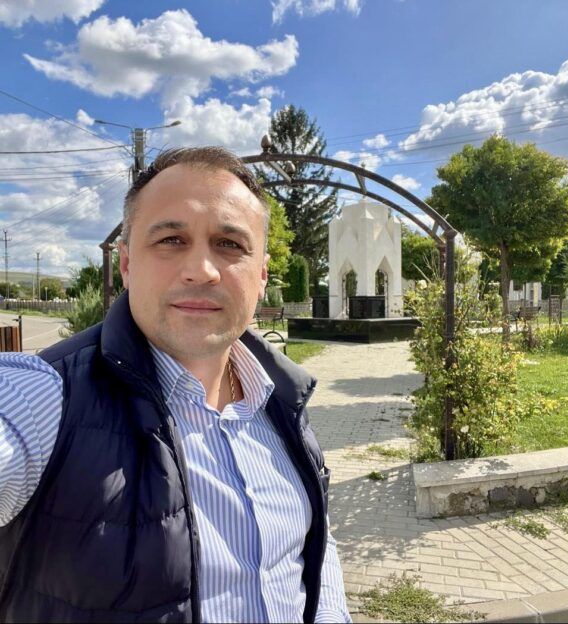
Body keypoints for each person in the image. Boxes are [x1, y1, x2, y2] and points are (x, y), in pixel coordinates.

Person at [0, 147, 351, 623]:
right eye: (170, 239)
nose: (201, 270)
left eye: (230, 244)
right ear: (127, 264)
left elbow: (313, 544)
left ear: (262, 275)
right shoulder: (47, 397)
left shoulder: (283, 400)